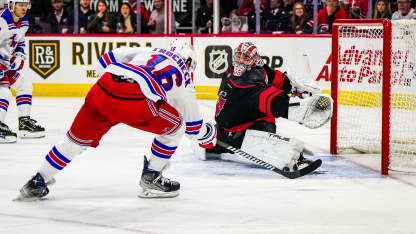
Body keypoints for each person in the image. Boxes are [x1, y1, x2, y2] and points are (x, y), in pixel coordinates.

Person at [14, 40, 217, 200]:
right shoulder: (184, 75)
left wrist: (115, 90)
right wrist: (209, 134)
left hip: (103, 89)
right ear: (189, 61)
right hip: (135, 100)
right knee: (175, 127)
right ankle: (152, 178)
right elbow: (192, 128)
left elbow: (104, 60)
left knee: (73, 142)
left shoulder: (148, 51)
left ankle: (38, 180)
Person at [192, 42, 332, 172]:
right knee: (205, 143)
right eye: (238, 55)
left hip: (239, 127)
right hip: (231, 133)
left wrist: (295, 89)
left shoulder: (251, 71)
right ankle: (282, 153)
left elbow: (275, 77)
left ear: (254, 61)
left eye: (245, 57)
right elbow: (277, 102)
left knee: (205, 141)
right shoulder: (246, 86)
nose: (240, 60)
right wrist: (304, 107)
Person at [0, 0, 45, 143]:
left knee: (25, 85)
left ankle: (24, 125)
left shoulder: (23, 21)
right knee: (4, 92)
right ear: (11, 5)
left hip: (4, 64)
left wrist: (19, 56)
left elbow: (19, 41)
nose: (24, 8)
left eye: (26, 5)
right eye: (21, 5)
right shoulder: (2, 21)